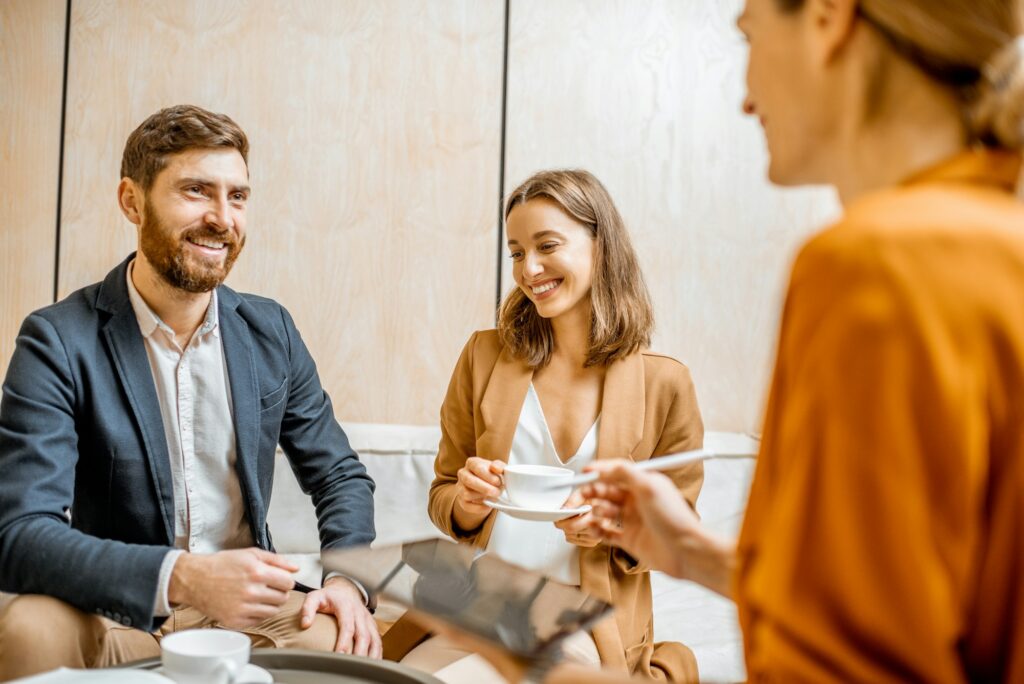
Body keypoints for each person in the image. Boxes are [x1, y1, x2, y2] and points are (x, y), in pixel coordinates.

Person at [582, 0, 1024, 682]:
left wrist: (540, 671)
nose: (745, 99)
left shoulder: (879, 266)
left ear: (828, 17)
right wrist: (696, 552)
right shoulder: (992, 246)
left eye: (750, 36)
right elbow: (924, 604)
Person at [0, 105, 381, 679]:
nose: (222, 218)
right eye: (197, 191)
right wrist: (182, 575)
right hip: (117, 616)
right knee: (29, 629)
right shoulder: (57, 338)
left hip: (247, 621)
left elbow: (340, 476)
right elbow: (20, 535)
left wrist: (347, 581)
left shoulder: (270, 329)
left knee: (342, 636)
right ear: (132, 200)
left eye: (238, 197)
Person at [391, 169, 705, 683]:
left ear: (600, 245)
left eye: (547, 245)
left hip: (583, 621)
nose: (528, 268)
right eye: (516, 252)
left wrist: (615, 528)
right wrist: (468, 507)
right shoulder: (483, 356)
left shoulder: (665, 384)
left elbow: (678, 535)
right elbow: (444, 493)